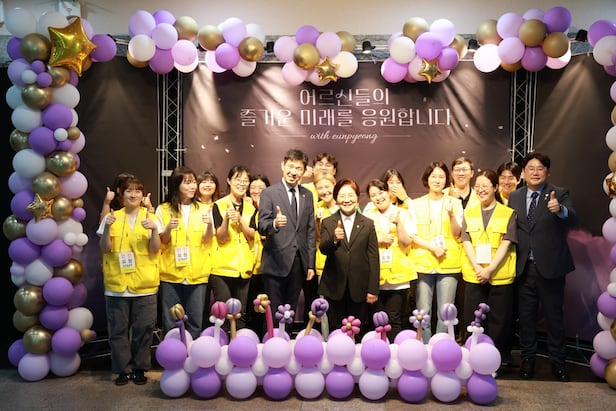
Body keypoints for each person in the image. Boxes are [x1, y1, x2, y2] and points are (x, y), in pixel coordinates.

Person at [508, 152, 577, 382]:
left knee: (554, 318)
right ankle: (528, 360)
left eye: (540, 168)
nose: (535, 172)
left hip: (551, 268)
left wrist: (560, 210)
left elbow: (573, 218)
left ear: (547, 172)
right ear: (523, 172)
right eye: (530, 168)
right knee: (526, 318)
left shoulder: (559, 193)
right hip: (524, 268)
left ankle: (558, 362)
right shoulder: (515, 196)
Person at [99, 177, 160, 386]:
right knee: (117, 330)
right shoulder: (111, 217)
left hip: (145, 284)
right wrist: (107, 229)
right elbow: (104, 248)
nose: (133, 195)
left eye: (137, 191)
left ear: (143, 195)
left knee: (144, 328)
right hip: (117, 284)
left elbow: (155, 249)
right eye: (129, 191)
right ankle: (122, 370)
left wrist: (154, 229)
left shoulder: (151, 217)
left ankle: (140, 368)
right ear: (121, 194)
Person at [460, 169, 517, 371]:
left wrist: (490, 269)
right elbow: (466, 241)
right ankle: (472, 359)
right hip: (474, 275)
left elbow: (507, 243)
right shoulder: (469, 213)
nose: (481, 190)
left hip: (499, 275)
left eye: (485, 186)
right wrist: (478, 267)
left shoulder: (508, 213)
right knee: (472, 319)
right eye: (477, 186)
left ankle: (494, 362)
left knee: (498, 321)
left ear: (495, 187)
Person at [258, 149, 316, 325]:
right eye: (291, 166)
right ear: (282, 166)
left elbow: (310, 231)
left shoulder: (307, 195)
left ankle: (287, 340)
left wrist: (310, 264)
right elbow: (262, 226)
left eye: (298, 168)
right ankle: (272, 340)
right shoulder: (269, 193)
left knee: (290, 312)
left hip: (298, 263)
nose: (293, 172)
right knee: (274, 312)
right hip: (275, 261)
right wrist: (275, 223)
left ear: (304, 171)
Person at [318, 178, 380, 339]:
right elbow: (323, 249)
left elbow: (373, 257)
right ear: (336, 198)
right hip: (334, 287)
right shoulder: (328, 222)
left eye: (351, 195)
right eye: (342, 196)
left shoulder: (368, 224)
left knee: (357, 331)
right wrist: (333, 239)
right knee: (336, 331)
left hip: (360, 287)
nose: (347, 200)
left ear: (357, 197)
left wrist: (373, 289)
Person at [155, 166, 212, 339]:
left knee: (195, 321)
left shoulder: (204, 208)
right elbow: (162, 240)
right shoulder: (163, 209)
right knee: (171, 320)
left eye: (194, 182)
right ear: (176, 184)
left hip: (197, 273)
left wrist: (210, 225)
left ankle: (192, 352)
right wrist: (167, 229)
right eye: (187, 183)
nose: (193, 186)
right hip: (170, 273)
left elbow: (208, 239)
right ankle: (172, 351)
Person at [411, 162, 463, 342]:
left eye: (441, 176)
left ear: (447, 180)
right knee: (422, 311)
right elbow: (412, 235)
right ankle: (424, 346)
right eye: (433, 176)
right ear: (427, 179)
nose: (437, 180)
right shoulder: (415, 204)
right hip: (423, 262)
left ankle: (441, 346)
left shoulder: (455, 203)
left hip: (448, 262)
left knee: (446, 311)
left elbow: (458, 233)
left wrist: (451, 214)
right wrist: (432, 247)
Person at [364, 179, 416, 340]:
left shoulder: (402, 213)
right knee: (377, 320)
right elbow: (362, 242)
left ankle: (394, 351)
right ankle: (379, 351)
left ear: (388, 192)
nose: (378, 197)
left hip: (398, 277)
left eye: (381, 192)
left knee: (394, 319)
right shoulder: (368, 215)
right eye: (373, 195)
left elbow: (406, 243)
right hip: (376, 277)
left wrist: (399, 224)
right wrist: (379, 240)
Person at [210, 165, 256, 331]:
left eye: (245, 181)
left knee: (240, 314)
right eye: (238, 179)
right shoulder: (218, 205)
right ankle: (221, 344)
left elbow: (252, 235)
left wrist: (241, 221)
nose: (242, 184)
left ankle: (239, 344)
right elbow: (221, 237)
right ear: (229, 181)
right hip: (222, 268)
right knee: (222, 312)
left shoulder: (251, 208)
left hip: (244, 268)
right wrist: (227, 220)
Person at [246, 174, 270, 334]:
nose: (256, 191)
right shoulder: (244, 208)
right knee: (249, 307)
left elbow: (265, 234)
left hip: (265, 266)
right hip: (247, 267)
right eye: (253, 187)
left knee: (263, 306)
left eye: (261, 188)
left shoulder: (270, 208)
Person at [196, 170, 219, 323]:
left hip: (218, 261)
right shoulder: (191, 207)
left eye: (211, 182)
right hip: (199, 261)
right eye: (204, 182)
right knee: (200, 304)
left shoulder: (220, 205)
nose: (207, 185)